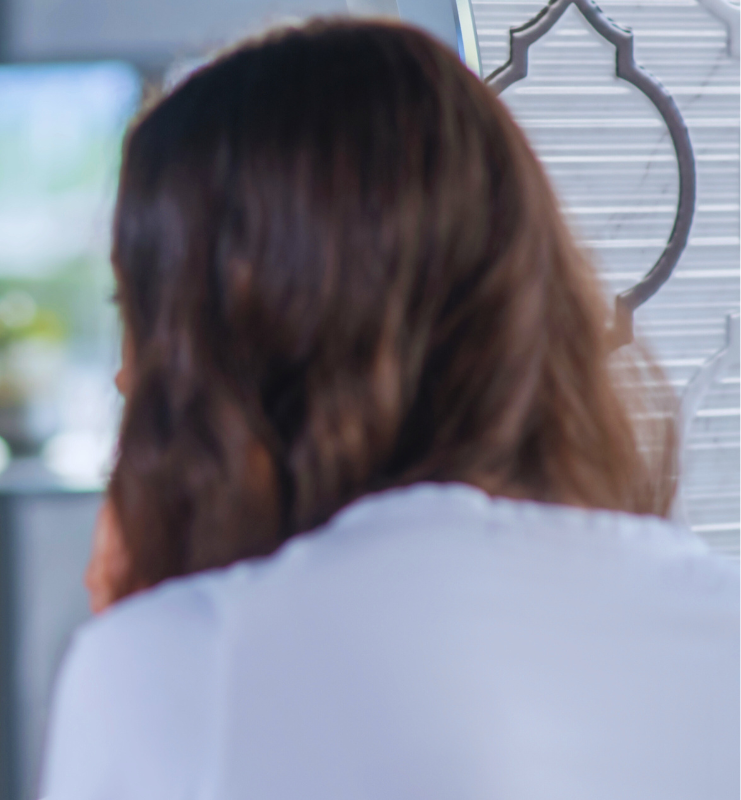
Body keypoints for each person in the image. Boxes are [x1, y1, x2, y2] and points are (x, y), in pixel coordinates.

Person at [46, 19, 738, 800]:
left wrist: (135, 637)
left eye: (141, 312)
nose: (124, 379)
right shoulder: (718, 622)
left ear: (245, 329)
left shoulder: (179, 665)